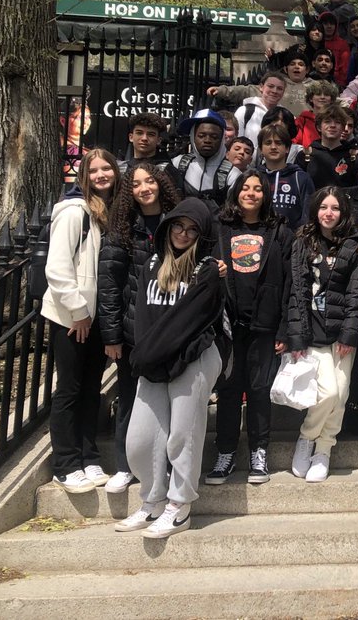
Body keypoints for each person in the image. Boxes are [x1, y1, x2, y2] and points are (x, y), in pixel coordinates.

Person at [117, 198, 229, 537]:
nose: (183, 233)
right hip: (154, 359)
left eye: (192, 229)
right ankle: (151, 500)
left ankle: (179, 506)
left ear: (202, 234)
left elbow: (190, 321)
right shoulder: (151, 264)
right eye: (178, 226)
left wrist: (153, 354)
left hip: (192, 356)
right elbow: (142, 315)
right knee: (139, 438)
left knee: (183, 434)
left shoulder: (207, 269)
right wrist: (145, 355)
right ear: (167, 228)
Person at [97, 161, 180, 494]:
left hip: (171, 330)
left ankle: (171, 467)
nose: (145, 188)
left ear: (161, 183)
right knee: (130, 399)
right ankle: (124, 465)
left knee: (173, 404)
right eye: (136, 184)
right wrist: (112, 336)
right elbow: (109, 285)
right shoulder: (122, 229)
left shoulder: (177, 223)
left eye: (150, 181)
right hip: (133, 332)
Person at [206, 171, 293, 486]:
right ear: (236, 192)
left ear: (265, 195)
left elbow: (289, 283)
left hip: (265, 325)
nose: (252, 193)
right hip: (229, 324)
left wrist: (284, 328)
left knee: (258, 391)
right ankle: (225, 452)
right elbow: (202, 270)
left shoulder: (280, 231)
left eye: (258, 188)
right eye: (246, 187)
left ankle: (259, 452)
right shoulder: (221, 229)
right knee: (229, 390)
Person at [44, 148, 120, 494]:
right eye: (94, 170)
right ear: (84, 176)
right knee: (70, 390)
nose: (101, 175)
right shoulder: (74, 211)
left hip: (98, 316)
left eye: (107, 169)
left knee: (92, 389)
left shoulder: (109, 211)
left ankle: (89, 456)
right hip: (73, 318)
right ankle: (65, 463)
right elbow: (57, 269)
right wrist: (78, 312)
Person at [286, 187, 358, 482]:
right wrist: (296, 335)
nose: (329, 213)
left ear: (344, 212)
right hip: (313, 330)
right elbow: (296, 291)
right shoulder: (303, 241)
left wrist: (350, 332)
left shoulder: (357, 244)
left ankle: (324, 449)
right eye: (324, 207)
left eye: (335, 208)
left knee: (342, 393)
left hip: (341, 332)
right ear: (315, 210)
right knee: (328, 392)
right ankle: (307, 437)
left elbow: (356, 291)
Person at [171, 108, 241, 205]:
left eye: (214, 137)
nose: (207, 140)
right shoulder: (177, 164)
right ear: (193, 136)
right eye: (201, 135)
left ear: (222, 139)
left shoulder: (232, 174)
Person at [257, 123, 314, 229]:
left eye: (278, 143)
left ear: (287, 148)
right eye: (268, 143)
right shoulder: (253, 178)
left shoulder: (300, 178)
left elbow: (307, 216)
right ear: (260, 149)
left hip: (291, 242)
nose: (273, 147)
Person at [306, 105, 358, 190]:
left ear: (343, 128)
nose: (332, 125)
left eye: (337, 122)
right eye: (327, 121)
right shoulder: (306, 155)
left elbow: (357, 188)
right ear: (319, 127)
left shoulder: (354, 156)